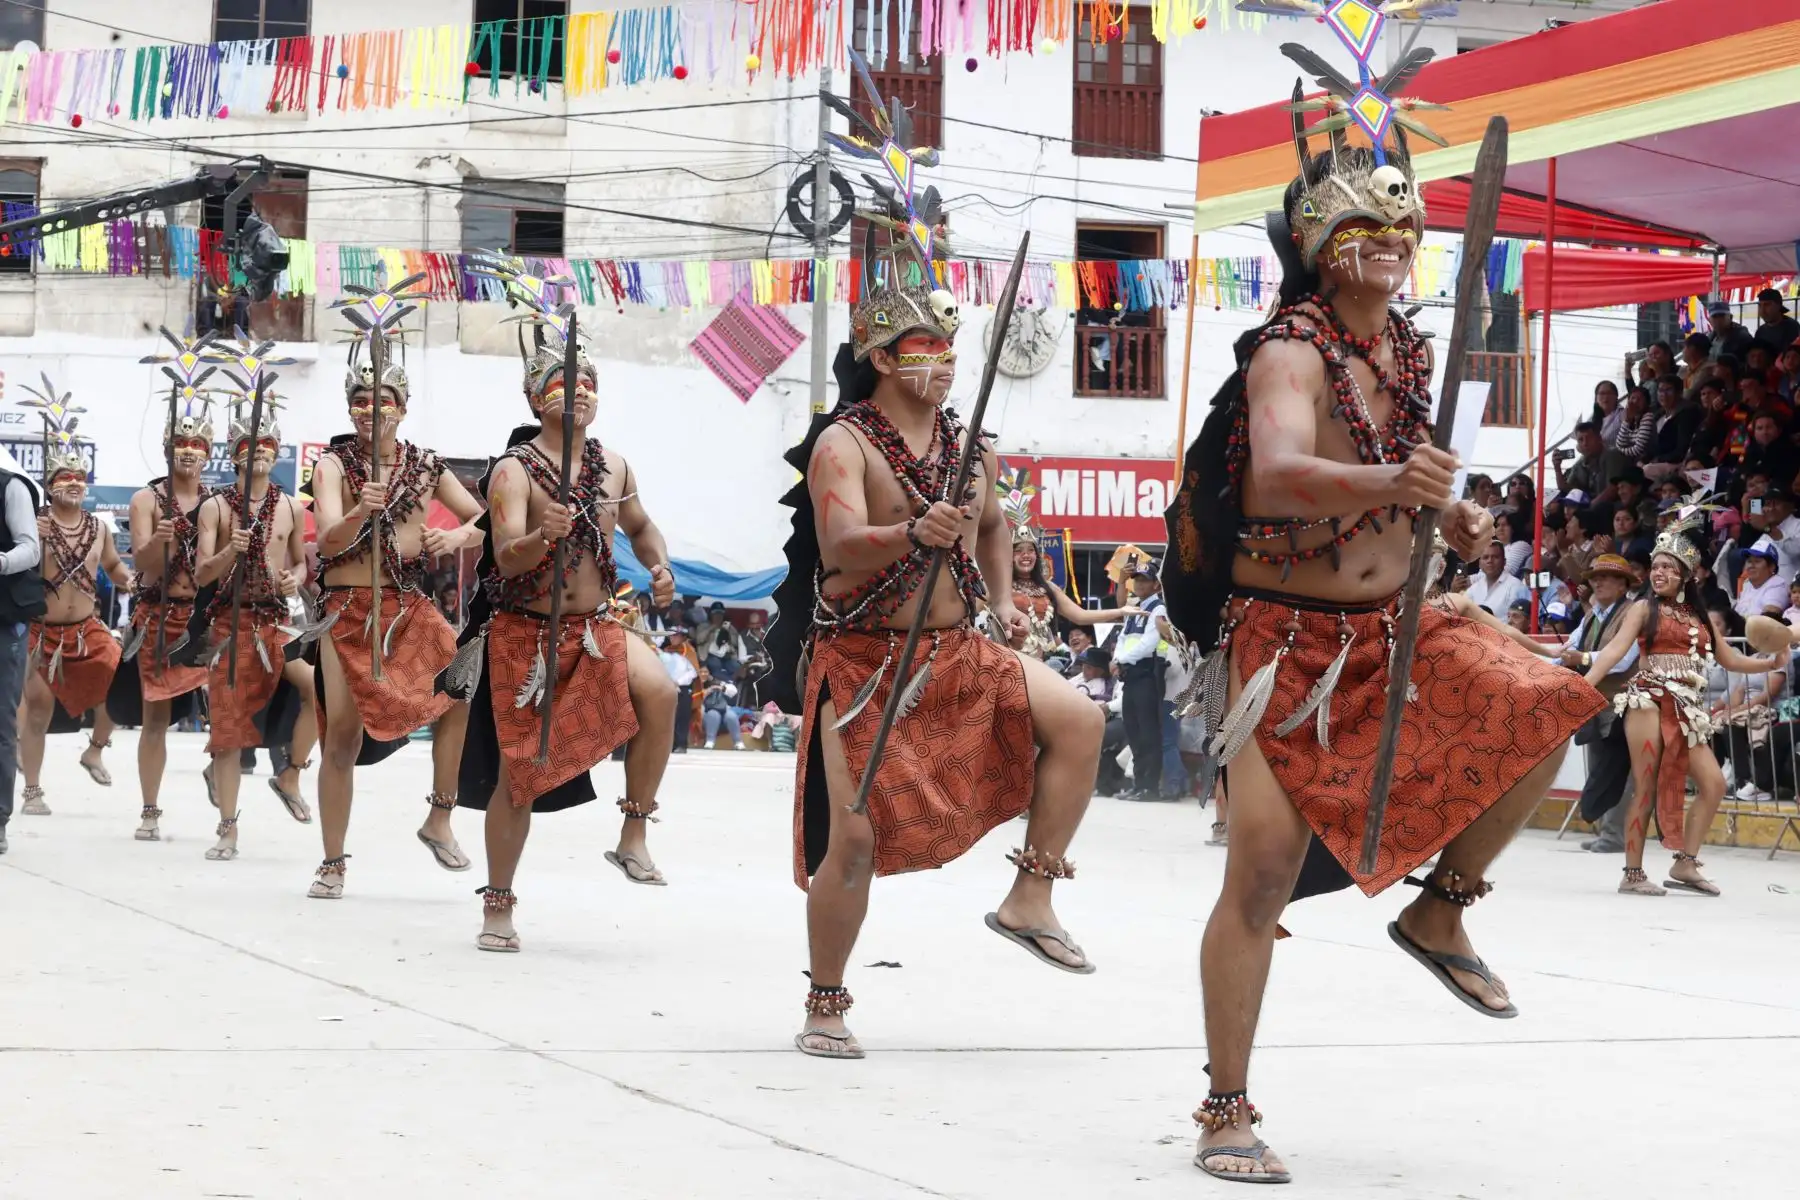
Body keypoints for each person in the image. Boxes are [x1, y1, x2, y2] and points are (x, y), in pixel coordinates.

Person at [1159, 54, 1605, 1181]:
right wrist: (1398, 486)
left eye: (1400, 228)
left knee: (1549, 704)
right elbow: (1276, 479)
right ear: (1319, 245)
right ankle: (1226, 1107)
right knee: (1259, 876)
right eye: (1363, 226)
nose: (1390, 244)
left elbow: (1396, 476)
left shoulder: (1405, 350)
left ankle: (1442, 911)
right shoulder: (1289, 352)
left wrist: (1445, 518)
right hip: (1287, 646)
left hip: (1400, 626)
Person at [764, 185, 1103, 1061]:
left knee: (1080, 719)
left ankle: (1030, 896)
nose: (943, 361)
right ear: (879, 354)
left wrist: (998, 604)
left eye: (950, 346)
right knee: (855, 839)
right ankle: (827, 1000)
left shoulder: (971, 444)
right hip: (864, 661)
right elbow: (841, 541)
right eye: (922, 345)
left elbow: (994, 526)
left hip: (957, 649)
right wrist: (910, 531)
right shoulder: (845, 442)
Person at [450, 258, 680, 951]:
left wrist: (661, 564)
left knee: (663, 691)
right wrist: (537, 541)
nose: (576, 393)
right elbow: (504, 551)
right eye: (560, 383)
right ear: (533, 399)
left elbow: (640, 527)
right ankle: (498, 901)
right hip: (527, 634)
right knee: (519, 779)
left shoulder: (615, 466)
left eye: (586, 383)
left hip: (595, 626)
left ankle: (634, 826)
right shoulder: (514, 471)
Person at [304, 298, 487, 899]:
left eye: (384, 399)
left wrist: (455, 534)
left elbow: (487, 519)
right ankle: (332, 861)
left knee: (459, 687)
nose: (371, 409)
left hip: (407, 606)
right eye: (360, 399)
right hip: (347, 610)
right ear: (349, 406)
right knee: (343, 740)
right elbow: (329, 539)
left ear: (403, 407)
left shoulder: (427, 466)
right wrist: (362, 509)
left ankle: (439, 814)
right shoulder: (331, 465)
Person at [1585, 512, 1780, 896]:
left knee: (1713, 784)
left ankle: (1685, 864)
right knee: (1645, 784)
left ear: (1686, 575)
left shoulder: (1700, 617)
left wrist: (1770, 662)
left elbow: (1730, 659)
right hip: (1647, 700)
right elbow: (1613, 652)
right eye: (1655, 567)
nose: (1657, 573)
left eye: (1666, 568)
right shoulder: (1642, 609)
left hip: (1686, 708)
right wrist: (1584, 685)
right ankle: (1633, 872)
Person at [194, 398, 318, 861]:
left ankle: (291, 773)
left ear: (278, 449)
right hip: (230, 626)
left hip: (277, 624)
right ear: (234, 450)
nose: (258, 451)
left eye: (266, 443)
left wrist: (294, 579)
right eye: (249, 443)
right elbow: (204, 572)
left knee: (319, 691)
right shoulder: (215, 507)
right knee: (227, 731)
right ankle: (227, 827)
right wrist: (231, 552)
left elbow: (299, 568)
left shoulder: (290, 505)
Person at [110, 368, 215, 843]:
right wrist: (163, 539)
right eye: (180, 444)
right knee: (156, 719)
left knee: (231, 706)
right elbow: (146, 565)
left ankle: (228, 783)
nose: (188, 452)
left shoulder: (219, 501)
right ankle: (150, 808)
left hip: (206, 618)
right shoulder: (145, 499)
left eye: (197, 446)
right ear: (168, 449)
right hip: (158, 615)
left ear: (208, 453)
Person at [15, 408, 127, 818]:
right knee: (39, 707)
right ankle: (31, 790)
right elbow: (19, 571)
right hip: (40, 632)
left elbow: (112, 566)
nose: (75, 483)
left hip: (86, 629)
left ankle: (95, 751)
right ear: (49, 485)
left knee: (120, 682)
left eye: (80, 477)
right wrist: (33, 540)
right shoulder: (35, 522)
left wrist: (127, 578)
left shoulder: (98, 527)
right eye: (65, 477)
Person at [1557, 556, 1640, 853]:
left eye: (1606, 577)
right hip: (1595, 702)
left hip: (1624, 703)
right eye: (1595, 577)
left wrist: (1580, 659)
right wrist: (1554, 662)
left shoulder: (1633, 613)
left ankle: (1614, 835)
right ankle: (1607, 831)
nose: (1598, 582)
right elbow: (1568, 647)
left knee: (1619, 770)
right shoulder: (1591, 615)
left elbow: (1624, 660)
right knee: (1598, 769)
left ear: (1623, 584)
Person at [1002, 501, 1136, 659]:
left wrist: (1120, 611)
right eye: (1019, 551)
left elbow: (1080, 615)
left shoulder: (1048, 588)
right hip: (1007, 662)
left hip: (1037, 664)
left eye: (1030, 550)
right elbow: (972, 606)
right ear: (1010, 556)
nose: (1026, 555)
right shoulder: (999, 586)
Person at [0, 449, 42, 855]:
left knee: (0, 721)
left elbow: (30, 548)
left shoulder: (11, 487)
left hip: (3, 617)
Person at [1113, 559, 1173, 799]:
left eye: (1145, 580)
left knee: (1148, 731)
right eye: (1137, 579)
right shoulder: (1135, 608)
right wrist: (1118, 658)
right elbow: (1122, 637)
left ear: (1156, 585)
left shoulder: (1158, 608)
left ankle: (1150, 786)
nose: (1139, 584)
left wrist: (1121, 660)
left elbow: (1149, 644)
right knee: (1133, 729)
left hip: (1147, 673)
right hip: (1130, 675)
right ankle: (1139, 783)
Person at [659, 626, 697, 752]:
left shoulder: (688, 651)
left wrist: (678, 682)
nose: (673, 638)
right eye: (671, 635)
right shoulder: (666, 651)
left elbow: (693, 672)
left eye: (676, 635)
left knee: (682, 716)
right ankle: (670, 744)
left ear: (682, 637)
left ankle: (681, 744)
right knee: (669, 717)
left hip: (683, 688)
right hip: (668, 688)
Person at [1466, 541, 1529, 615]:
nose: (1490, 561)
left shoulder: (1516, 587)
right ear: (1479, 564)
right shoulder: (1474, 588)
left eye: (1495, 557)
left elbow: (1520, 621)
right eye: (1485, 557)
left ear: (1504, 562)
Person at [1734, 541, 1788, 619]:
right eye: (1749, 561)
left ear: (1771, 567)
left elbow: (1768, 619)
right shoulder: (1747, 584)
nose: (1751, 566)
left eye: (1757, 561)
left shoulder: (1778, 584)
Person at [694, 601, 743, 680]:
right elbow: (699, 640)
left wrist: (728, 631)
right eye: (715, 613)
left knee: (737, 667)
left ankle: (731, 683)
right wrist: (712, 627)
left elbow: (736, 643)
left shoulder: (729, 627)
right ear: (711, 614)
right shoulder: (703, 626)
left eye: (720, 613)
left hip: (727, 656)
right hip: (710, 656)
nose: (718, 616)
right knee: (715, 666)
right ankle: (729, 682)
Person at [1753, 288, 1800, 359]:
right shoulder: (1760, 331)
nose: (1762, 311)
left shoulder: (1792, 328)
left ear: (1778, 306)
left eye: (1767, 305)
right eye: (1760, 305)